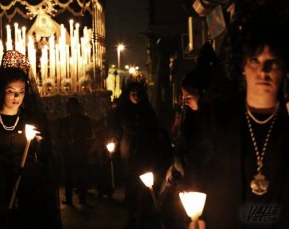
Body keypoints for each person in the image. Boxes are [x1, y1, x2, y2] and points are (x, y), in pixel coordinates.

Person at [177, 26, 289, 229]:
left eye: (272, 62)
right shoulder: (218, 123)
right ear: (243, 67)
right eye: (255, 60)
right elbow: (197, 177)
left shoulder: (284, 124)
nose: (263, 71)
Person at [0, 50, 62, 229]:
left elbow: (44, 158)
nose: (16, 97)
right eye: (11, 91)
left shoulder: (30, 119)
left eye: (21, 91)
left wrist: (41, 144)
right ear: (1, 91)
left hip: (28, 188)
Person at [109, 73, 172, 229]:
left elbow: (155, 129)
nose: (136, 96)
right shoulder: (123, 111)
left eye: (139, 94)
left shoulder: (147, 111)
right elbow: (116, 129)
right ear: (128, 94)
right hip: (128, 150)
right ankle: (131, 216)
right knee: (130, 183)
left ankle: (143, 215)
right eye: (133, 94)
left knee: (144, 184)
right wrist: (113, 143)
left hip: (145, 151)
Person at [57, 96, 93, 205]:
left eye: (71, 106)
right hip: (68, 150)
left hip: (80, 150)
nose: (70, 108)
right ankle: (69, 198)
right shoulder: (64, 121)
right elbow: (59, 134)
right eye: (68, 106)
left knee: (81, 174)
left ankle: (82, 198)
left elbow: (89, 134)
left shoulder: (85, 120)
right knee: (68, 175)